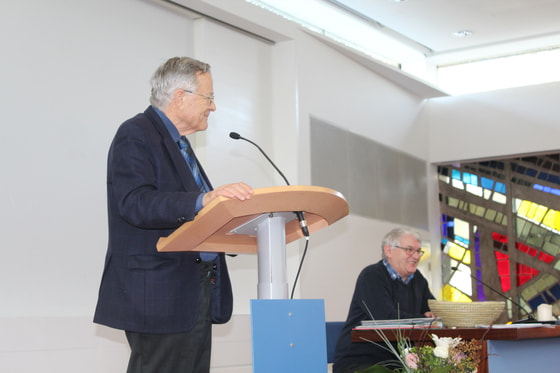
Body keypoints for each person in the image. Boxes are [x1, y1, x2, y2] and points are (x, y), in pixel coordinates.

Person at [93, 57, 254, 373]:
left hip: (193, 292)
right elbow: (135, 202)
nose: (214, 107)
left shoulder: (180, 146)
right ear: (181, 97)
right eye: (209, 97)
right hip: (158, 295)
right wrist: (203, 199)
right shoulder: (135, 133)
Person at [333, 227, 435, 373]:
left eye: (418, 251)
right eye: (409, 249)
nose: (416, 256)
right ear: (389, 251)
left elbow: (432, 310)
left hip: (399, 361)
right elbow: (387, 319)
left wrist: (434, 315)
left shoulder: (418, 280)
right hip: (362, 360)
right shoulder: (372, 276)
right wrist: (423, 318)